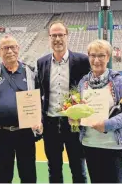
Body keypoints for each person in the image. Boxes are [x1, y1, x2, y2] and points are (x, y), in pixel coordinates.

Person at [36, 20, 90, 183]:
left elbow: (89, 90)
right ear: (49, 38)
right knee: (54, 169)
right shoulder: (41, 62)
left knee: (78, 169)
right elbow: (39, 93)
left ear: (67, 36)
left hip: (74, 124)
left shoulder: (82, 61)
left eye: (61, 35)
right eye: (54, 35)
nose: (57, 39)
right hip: (50, 124)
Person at [0, 35, 41, 183]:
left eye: (13, 47)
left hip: (25, 133)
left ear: (18, 49)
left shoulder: (31, 73)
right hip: (1, 134)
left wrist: (39, 121)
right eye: (5, 48)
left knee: (28, 176)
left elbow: (39, 100)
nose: (10, 51)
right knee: (3, 176)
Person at [77, 39, 122, 183]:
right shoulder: (82, 83)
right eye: (93, 55)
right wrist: (76, 118)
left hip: (114, 147)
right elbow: (79, 110)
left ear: (108, 57)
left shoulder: (118, 82)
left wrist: (107, 124)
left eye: (101, 55)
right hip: (90, 144)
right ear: (88, 57)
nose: (97, 60)